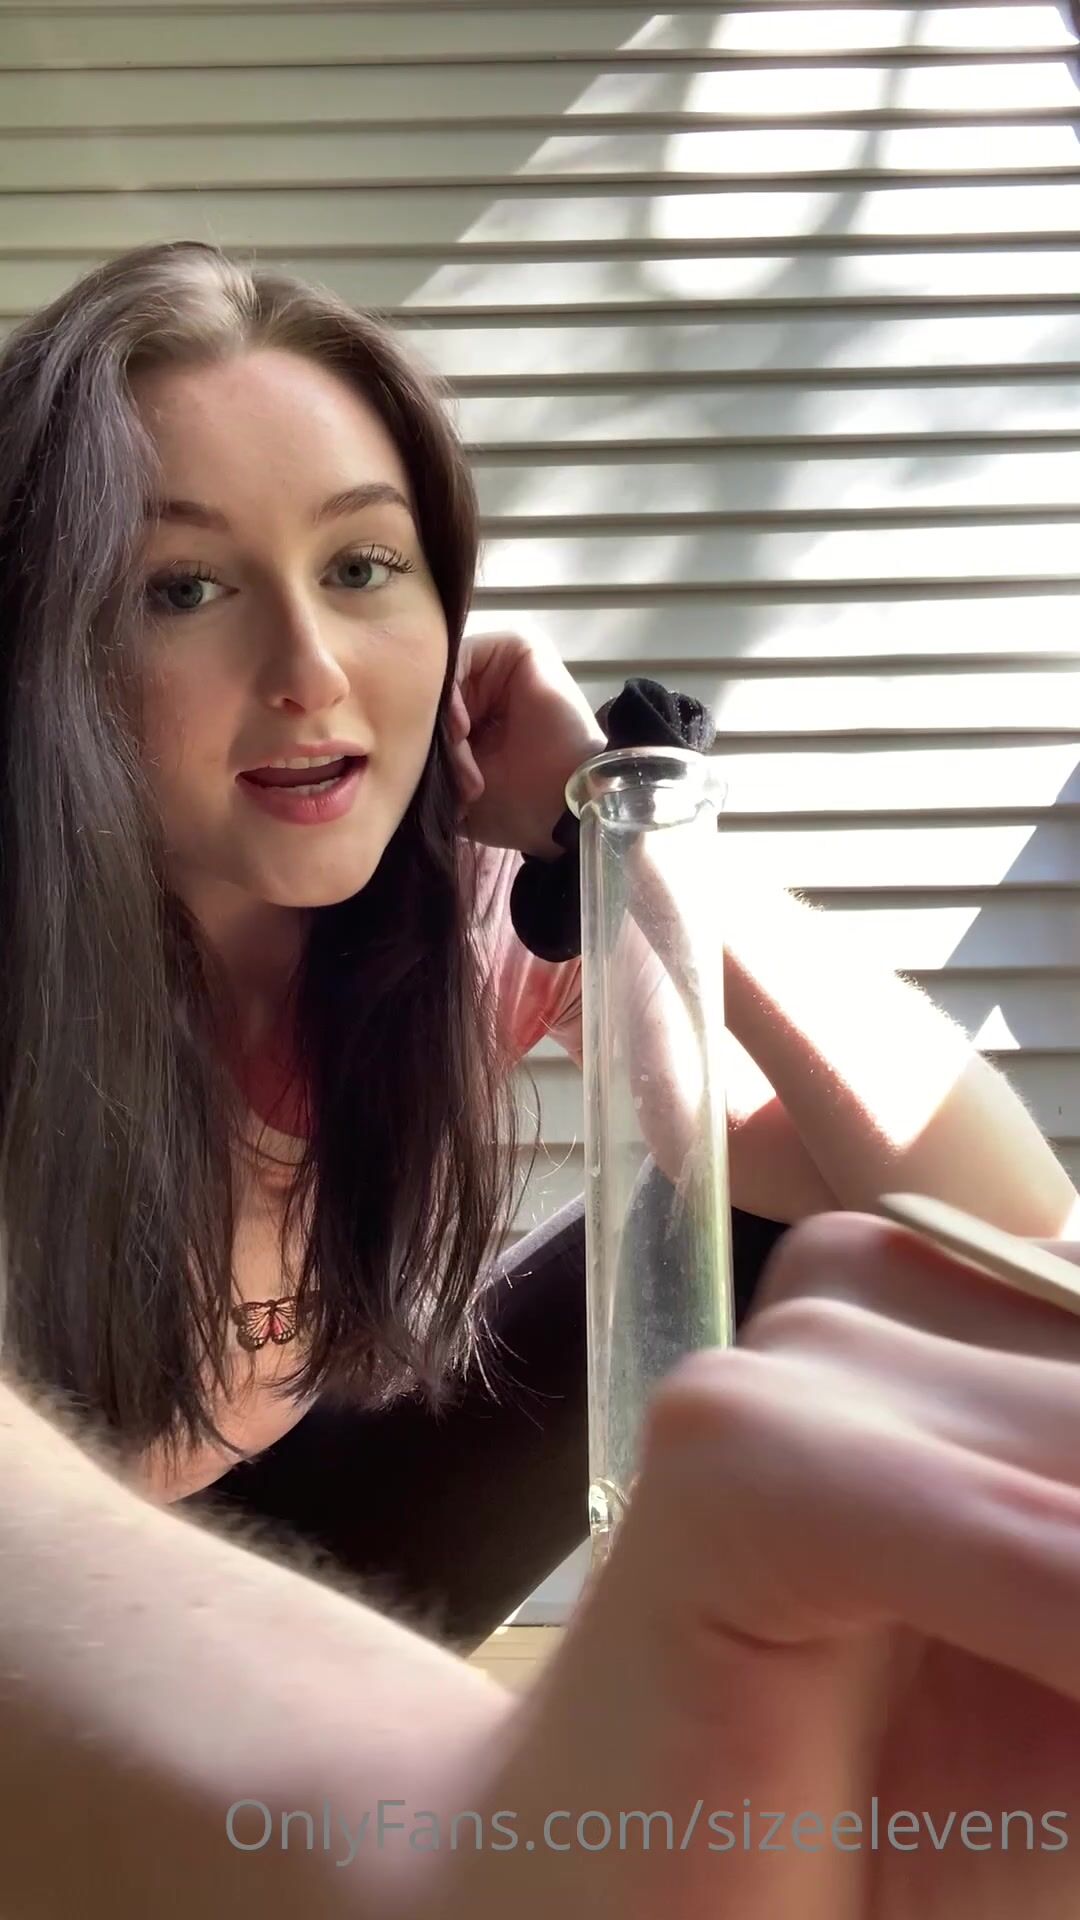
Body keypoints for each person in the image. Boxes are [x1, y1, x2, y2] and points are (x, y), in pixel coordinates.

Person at [4, 1216, 1080, 1920]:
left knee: (777, 1234)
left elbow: (1004, 1204)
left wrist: (641, 909)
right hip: (87, 1498)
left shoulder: (455, 952)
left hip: (283, 1473)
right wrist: (451, 1837)